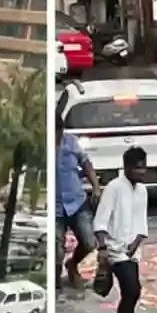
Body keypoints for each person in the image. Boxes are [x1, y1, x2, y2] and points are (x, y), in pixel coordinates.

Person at [93, 147, 151, 313]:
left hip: (133, 251)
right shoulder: (114, 188)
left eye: (143, 168)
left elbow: (141, 222)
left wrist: (137, 242)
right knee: (133, 290)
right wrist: (102, 249)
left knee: (131, 293)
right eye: (137, 168)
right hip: (115, 250)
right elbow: (100, 221)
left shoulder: (142, 190)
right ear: (126, 167)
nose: (141, 172)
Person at [56, 115, 101, 289]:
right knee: (56, 253)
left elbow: (86, 164)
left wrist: (95, 187)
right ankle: (56, 286)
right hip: (56, 208)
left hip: (77, 202)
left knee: (90, 242)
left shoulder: (71, 142)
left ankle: (73, 264)